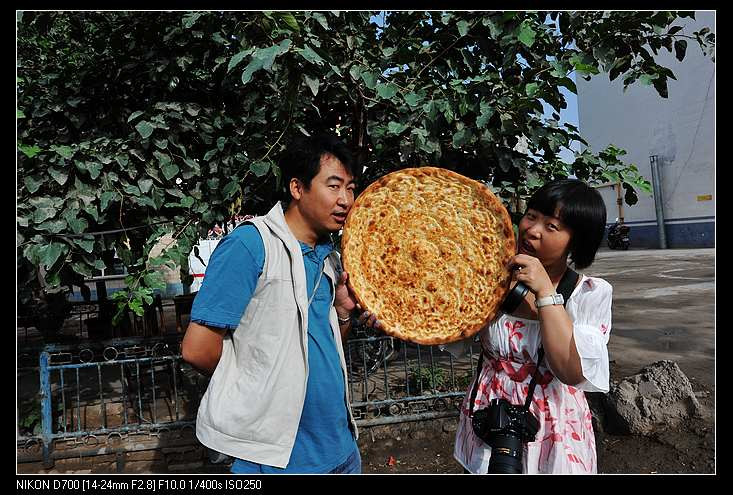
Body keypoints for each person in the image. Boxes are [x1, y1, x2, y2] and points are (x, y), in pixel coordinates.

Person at [181, 134, 378, 474]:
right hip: (274, 460)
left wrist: (343, 314)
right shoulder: (251, 246)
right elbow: (197, 349)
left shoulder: (330, 259)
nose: (346, 200)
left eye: (351, 188)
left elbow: (318, 347)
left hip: (341, 451)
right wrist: (257, 383)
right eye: (334, 186)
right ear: (297, 188)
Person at [444, 178, 612, 474]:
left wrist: (545, 291)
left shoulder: (588, 293)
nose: (532, 230)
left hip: (553, 426)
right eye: (532, 215)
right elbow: (453, 333)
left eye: (552, 226)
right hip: (489, 415)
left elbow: (570, 370)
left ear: (577, 240)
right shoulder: (490, 279)